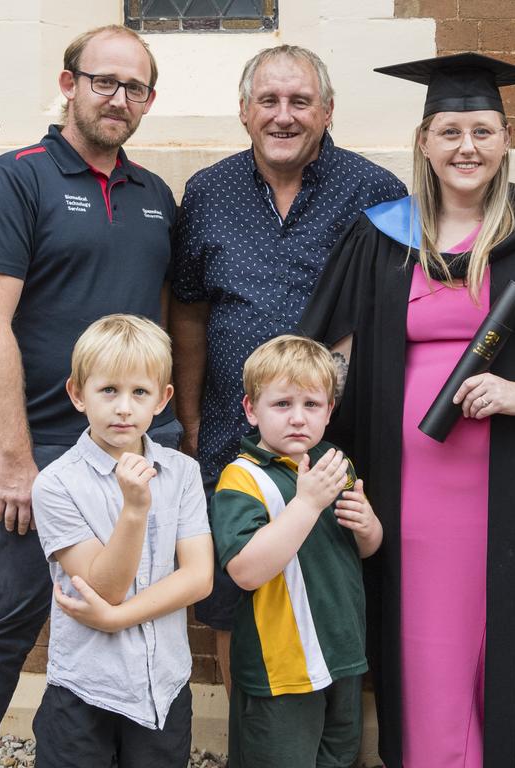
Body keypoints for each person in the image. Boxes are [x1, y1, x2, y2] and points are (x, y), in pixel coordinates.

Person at [300, 53, 515, 768]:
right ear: (424, 141)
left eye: (483, 130)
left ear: (508, 137)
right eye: (450, 131)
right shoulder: (382, 235)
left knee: (505, 628)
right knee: (420, 634)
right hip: (405, 481)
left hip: (512, 476)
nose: (467, 147)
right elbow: (332, 354)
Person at [0, 25, 179, 768]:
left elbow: (157, 326)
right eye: (104, 81)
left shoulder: (157, 197)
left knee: (125, 619)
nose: (118, 98)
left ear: (149, 102)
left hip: (133, 460)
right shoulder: (15, 180)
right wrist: (13, 460)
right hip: (37, 456)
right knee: (5, 622)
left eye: (134, 88)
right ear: (69, 84)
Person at [169, 44, 406, 690]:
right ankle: (256, 734)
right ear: (244, 111)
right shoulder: (209, 193)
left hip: (338, 438)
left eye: (300, 101)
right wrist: (190, 418)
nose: (283, 115)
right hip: (231, 432)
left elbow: (396, 310)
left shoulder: (375, 192)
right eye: (268, 101)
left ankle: (332, 738)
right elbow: (188, 312)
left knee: (336, 584)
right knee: (233, 591)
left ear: (327, 111)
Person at [30, 315, 213, 767]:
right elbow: (103, 587)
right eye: (108, 390)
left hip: (163, 687)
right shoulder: (56, 484)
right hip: (87, 688)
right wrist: (134, 510)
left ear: (163, 399)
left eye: (140, 393)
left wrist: (116, 620)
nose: (124, 408)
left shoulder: (182, 472)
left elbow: (199, 577)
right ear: (77, 394)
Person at [208, 335, 382, 768]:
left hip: (341, 650)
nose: (298, 418)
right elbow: (246, 571)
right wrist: (305, 504)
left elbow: (361, 551)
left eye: (312, 405)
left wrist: (368, 527)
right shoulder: (242, 478)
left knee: (338, 756)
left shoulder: (333, 464)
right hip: (280, 666)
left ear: (329, 410)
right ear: (251, 409)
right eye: (282, 404)